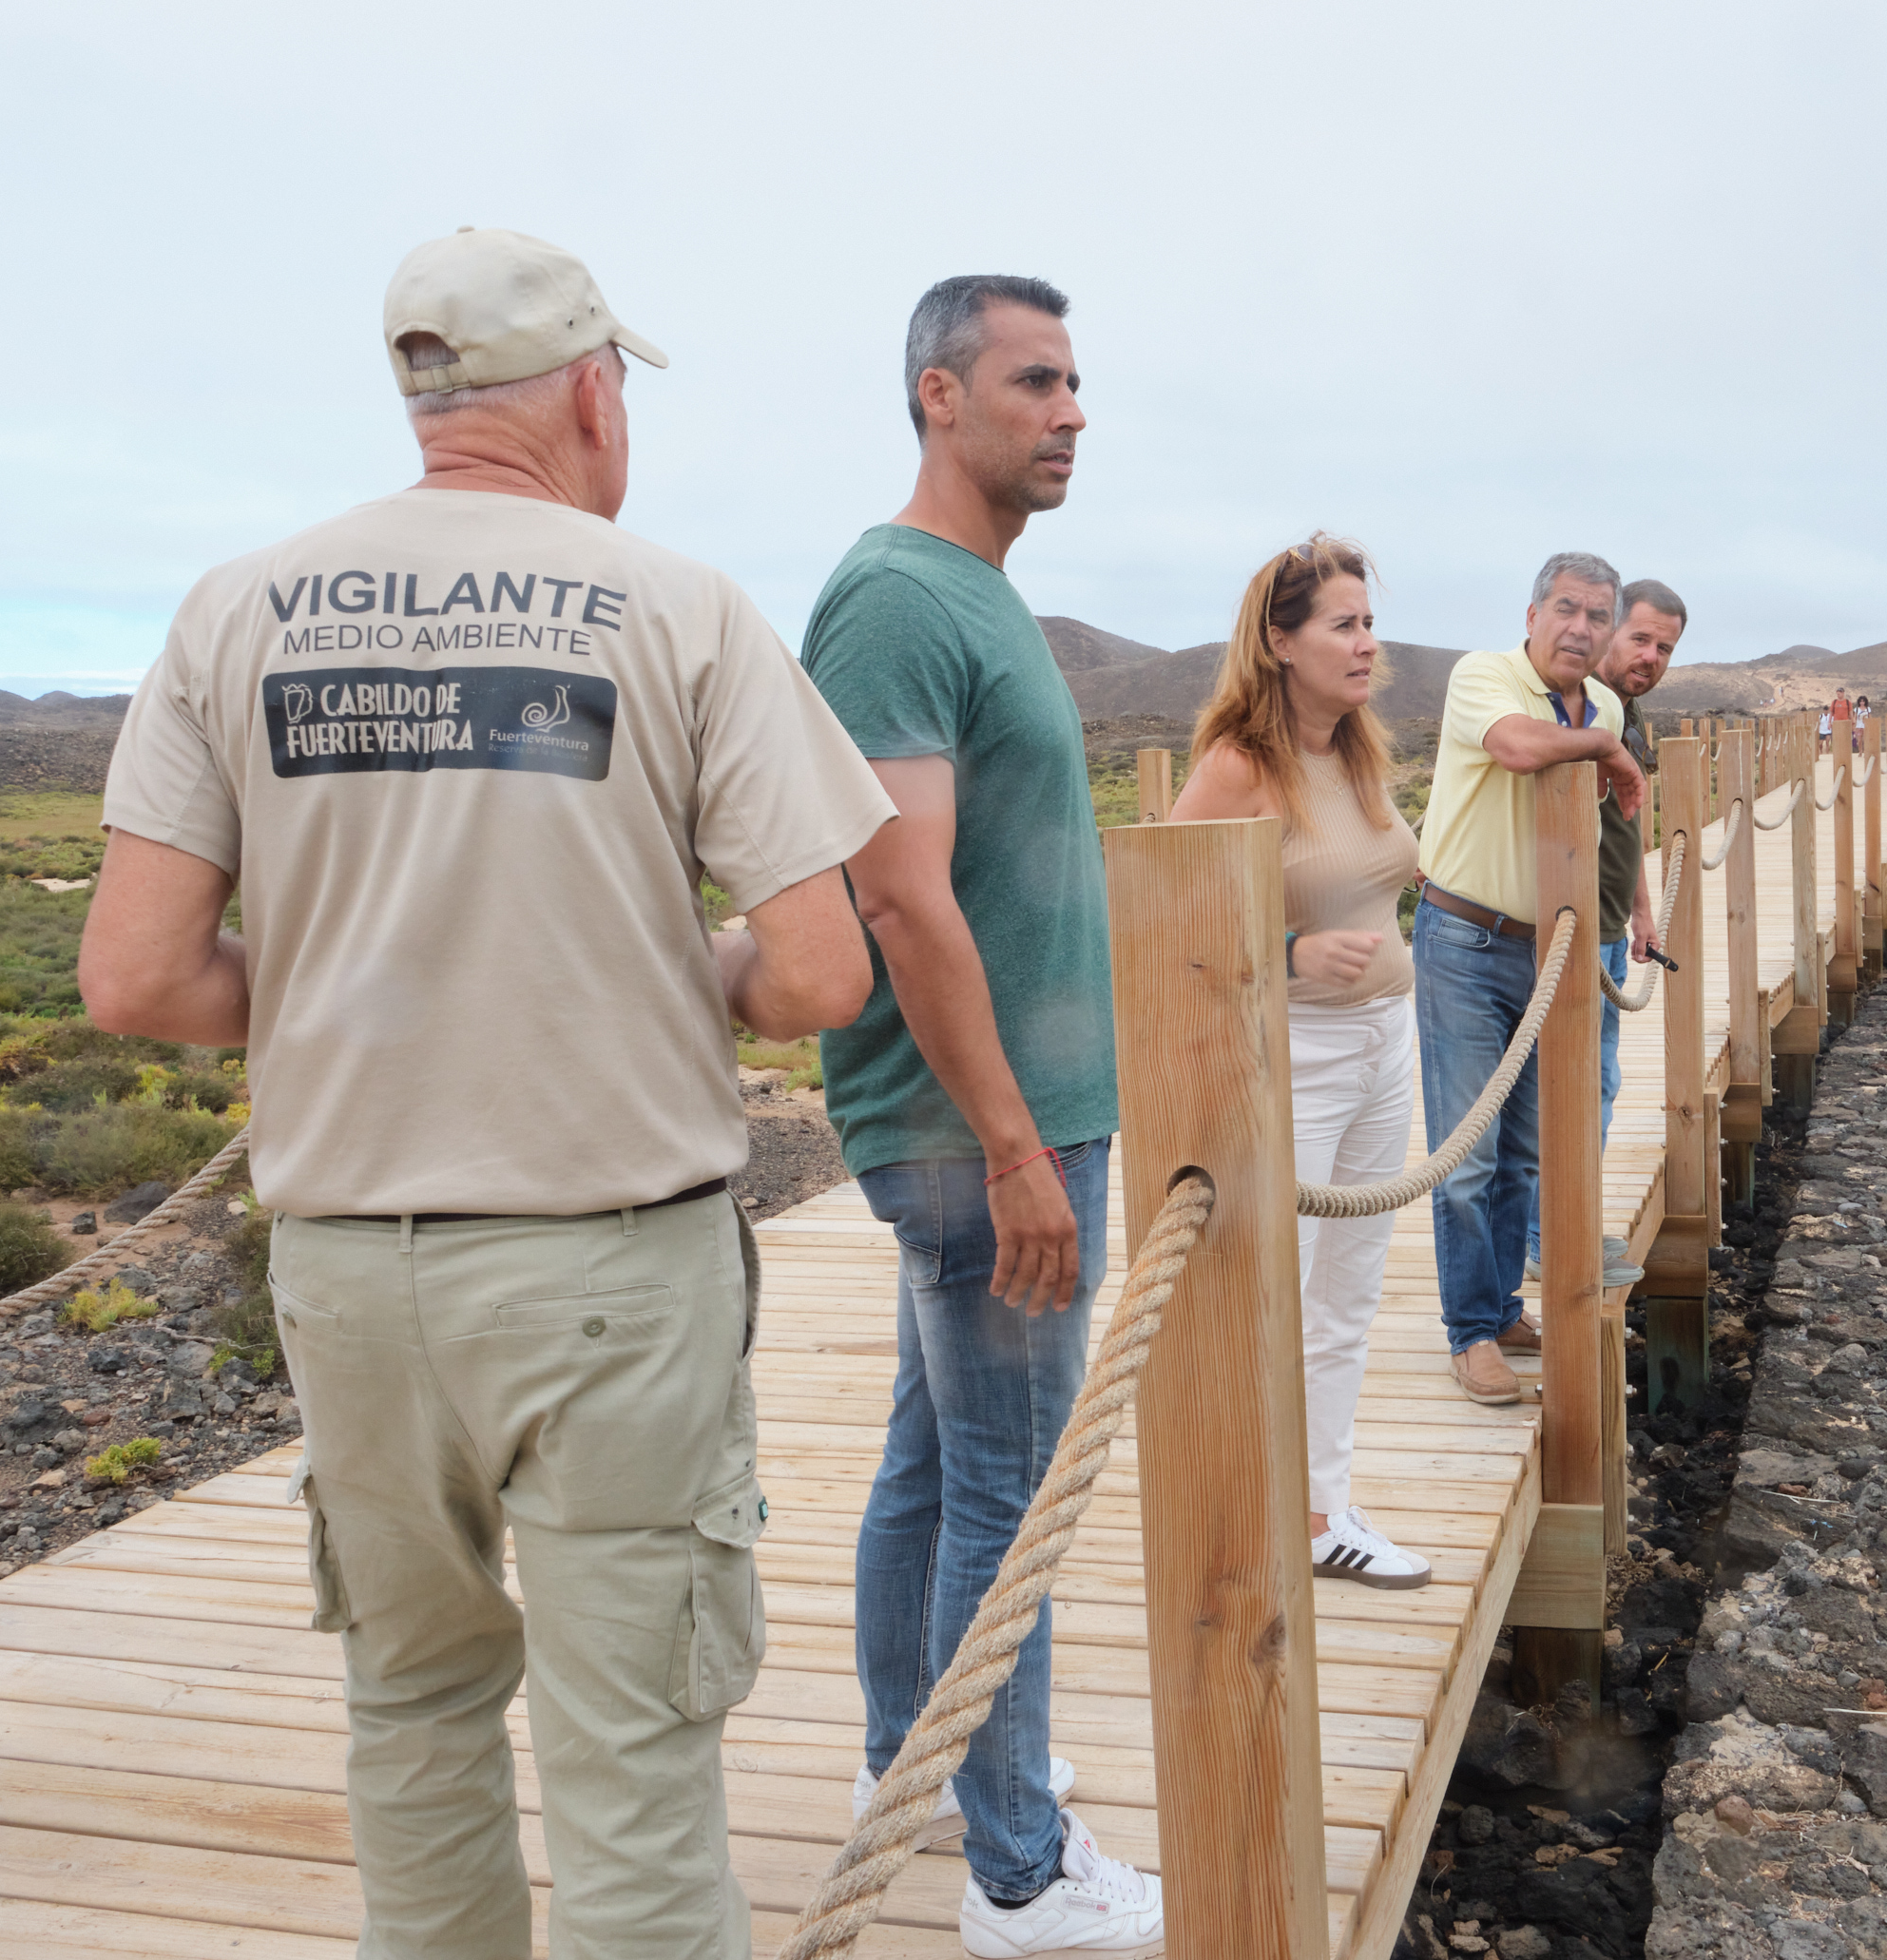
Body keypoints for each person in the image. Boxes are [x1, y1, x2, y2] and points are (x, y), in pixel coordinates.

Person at [79, 227, 891, 1960]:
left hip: (352, 1277)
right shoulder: (676, 605)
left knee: (412, 1706)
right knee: (633, 1769)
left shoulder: (238, 605)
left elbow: (137, 975)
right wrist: (671, 979)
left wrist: (360, 1004)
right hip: (606, 1279)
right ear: (592, 394)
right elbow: (821, 974)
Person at [799, 274, 1165, 1956]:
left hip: (1002, 1122)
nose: (1071, 409)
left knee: (933, 1463)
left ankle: (928, 1769)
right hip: (974, 1133)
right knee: (1006, 1492)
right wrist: (1020, 1149)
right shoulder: (890, 601)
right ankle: (1015, 1864)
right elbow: (901, 899)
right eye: (1036, 379)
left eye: (1077, 380)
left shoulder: (975, 590)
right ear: (939, 396)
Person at [1168, 534, 1430, 1588]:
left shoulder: (1356, 748)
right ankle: (1250, 1512)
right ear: (1279, 640)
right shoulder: (1238, 765)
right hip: (1303, 1050)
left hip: (1386, 1040)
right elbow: (1157, 913)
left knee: (1348, 1294)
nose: (1367, 643)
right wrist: (1285, 953)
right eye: (1342, 624)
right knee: (1279, 1289)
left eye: (1368, 622)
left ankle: (1323, 1507)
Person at [1412, 552, 1646, 1406]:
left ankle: (1502, 1306)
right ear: (1533, 614)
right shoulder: (1487, 677)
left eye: (1597, 616)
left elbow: (1610, 826)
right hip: (1466, 942)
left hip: (1548, 951)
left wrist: (1607, 740)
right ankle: (1470, 1332)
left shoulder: (1607, 702)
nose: (1580, 628)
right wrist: (1607, 748)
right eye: (1566, 610)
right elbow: (1518, 750)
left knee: (1522, 1153)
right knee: (1467, 1151)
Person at [1522, 578, 1686, 1284]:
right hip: (1565, 928)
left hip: (1610, 927)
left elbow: (1625, 819)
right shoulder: (1573, 710)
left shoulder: (1627, 713)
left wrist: (1642, 909)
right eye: (1640, 638)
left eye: (1665, 648)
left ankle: (1564, 1229)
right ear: (1607, 628)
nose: (1650, 656)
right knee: (1564, 1090)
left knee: (1597, 1086)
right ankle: (1548, 1240)